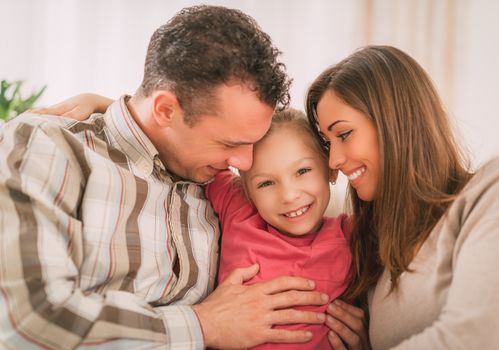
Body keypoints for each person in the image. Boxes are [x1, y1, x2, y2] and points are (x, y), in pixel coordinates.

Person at [0, 6, 331, 349]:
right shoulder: (51, 148)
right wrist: (204, 324)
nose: (244, 164)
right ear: (165, 110)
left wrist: (340, 312)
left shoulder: (215, 184)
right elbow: (27, 318)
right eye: (230, 143)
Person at [306, 45, 499, 349]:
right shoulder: (375, 255)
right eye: (329, 144)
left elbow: (476, 339)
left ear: (394, 123)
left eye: (343, 135)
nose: (334, 161)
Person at [205, 108, 354, 349]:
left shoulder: (350, 235)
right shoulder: (239, 208)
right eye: (265, 183)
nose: (288, 195)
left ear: (331, 168)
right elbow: (197, 149)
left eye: (302, 171)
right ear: (247, 190)